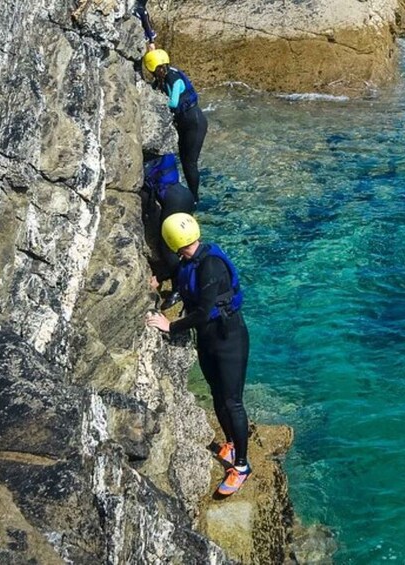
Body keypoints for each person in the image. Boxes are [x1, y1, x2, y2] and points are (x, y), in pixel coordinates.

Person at [145, 213, 252, 496]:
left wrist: (171, 326)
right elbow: (179, 274)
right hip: (209, 339)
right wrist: (158, 280)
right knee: (217, 394)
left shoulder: (211, 265)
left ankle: (241, 466)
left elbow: (204, 312)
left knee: (232, 402)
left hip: (230, 339)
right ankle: (230, 441)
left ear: (170, 240)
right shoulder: (188, 260)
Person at [143, 47, 208, 204]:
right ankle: (185, 192)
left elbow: (173, 102)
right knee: (183, 159)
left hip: (194, 122)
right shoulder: (161, 79)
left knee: (189, 163)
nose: (156, 73)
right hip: (184, 123)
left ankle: (194, 199)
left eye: (157, 69)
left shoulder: (174, 77)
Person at [142, 152, 196, 296]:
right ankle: (187, 278)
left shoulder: (146, 164)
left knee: (168, 248)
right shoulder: (160, 156)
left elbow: (147, 202)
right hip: (185, 195)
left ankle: (178, 289)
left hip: (176, 202)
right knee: (182, 247)